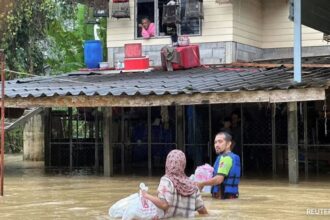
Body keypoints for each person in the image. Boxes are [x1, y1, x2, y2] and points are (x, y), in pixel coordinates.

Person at [141, 149, 208, 218]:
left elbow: (164, 205)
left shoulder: (167, 181)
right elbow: (203, 212)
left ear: (167, 163)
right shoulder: (193, 185)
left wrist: (146, 195)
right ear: (183, 164)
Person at [197, 132, 241, 199]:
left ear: (229, 144)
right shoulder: (230, 157)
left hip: (224, 199)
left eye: (220, 142)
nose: (216, 145)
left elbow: (218, 180)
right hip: (229, 198)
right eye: (215, 142)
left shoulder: (226, 158)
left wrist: (201, 183)